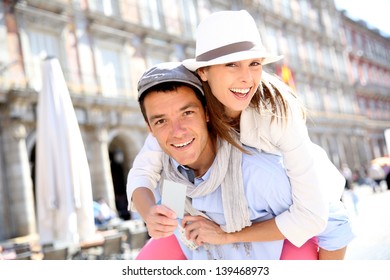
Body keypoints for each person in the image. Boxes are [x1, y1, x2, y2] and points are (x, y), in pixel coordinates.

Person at [127, 10, 348, 258]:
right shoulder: (185, 107)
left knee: (330, 219)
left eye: (255, 64)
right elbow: (143, 172)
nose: (246, 78)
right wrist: (151, 215)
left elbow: (320, 219)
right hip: (198, 196)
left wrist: (226, 235)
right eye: (231, 64)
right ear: (203, 73)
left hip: (298, 190)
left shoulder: (277, 118)